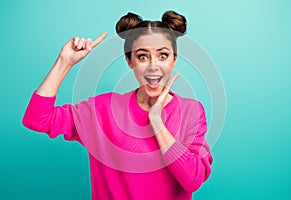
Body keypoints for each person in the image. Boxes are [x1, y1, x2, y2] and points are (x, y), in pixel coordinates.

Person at [22, 10, 213, 200]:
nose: (153, 66)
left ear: (174, 60)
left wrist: (157, 122)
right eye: (142, 56)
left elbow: (193, 180)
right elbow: (37, 118)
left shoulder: (192, 111)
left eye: (163, 55)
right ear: (129, 61)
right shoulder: (102, 110)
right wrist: (64, 62)